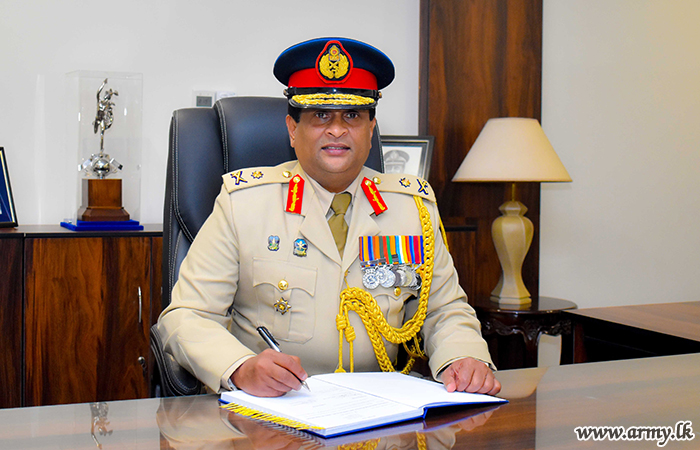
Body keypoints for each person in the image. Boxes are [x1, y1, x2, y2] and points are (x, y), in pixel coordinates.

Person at [157, 37, 500, 398]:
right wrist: (240, 367)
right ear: (292, 129)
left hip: (381, 411)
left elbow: (444, 310)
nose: (336, 130)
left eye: (352, 116)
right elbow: (186, 317)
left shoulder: (411, 207)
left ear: (371, 129)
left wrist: (463, 357)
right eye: (321, 116)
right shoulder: (244, 204)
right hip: (273, 410)